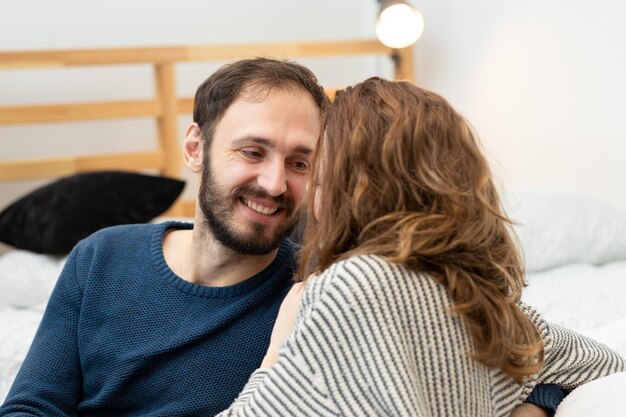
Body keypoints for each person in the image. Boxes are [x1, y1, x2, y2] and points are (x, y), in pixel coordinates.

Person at [0, 59, 561, 417]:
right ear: (195, 148)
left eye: (300, 162)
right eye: (253, 151)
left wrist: (531, 405)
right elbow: (31, 407)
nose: (273, 183)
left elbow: (543, 355)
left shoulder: (323, 292)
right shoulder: (100, 256)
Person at [216, 77, 626, 417]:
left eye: (314, 171)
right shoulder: (482, 299)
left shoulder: (346, 286)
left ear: (349, 184)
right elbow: (605, 362)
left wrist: (275, 352)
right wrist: (535, 404)